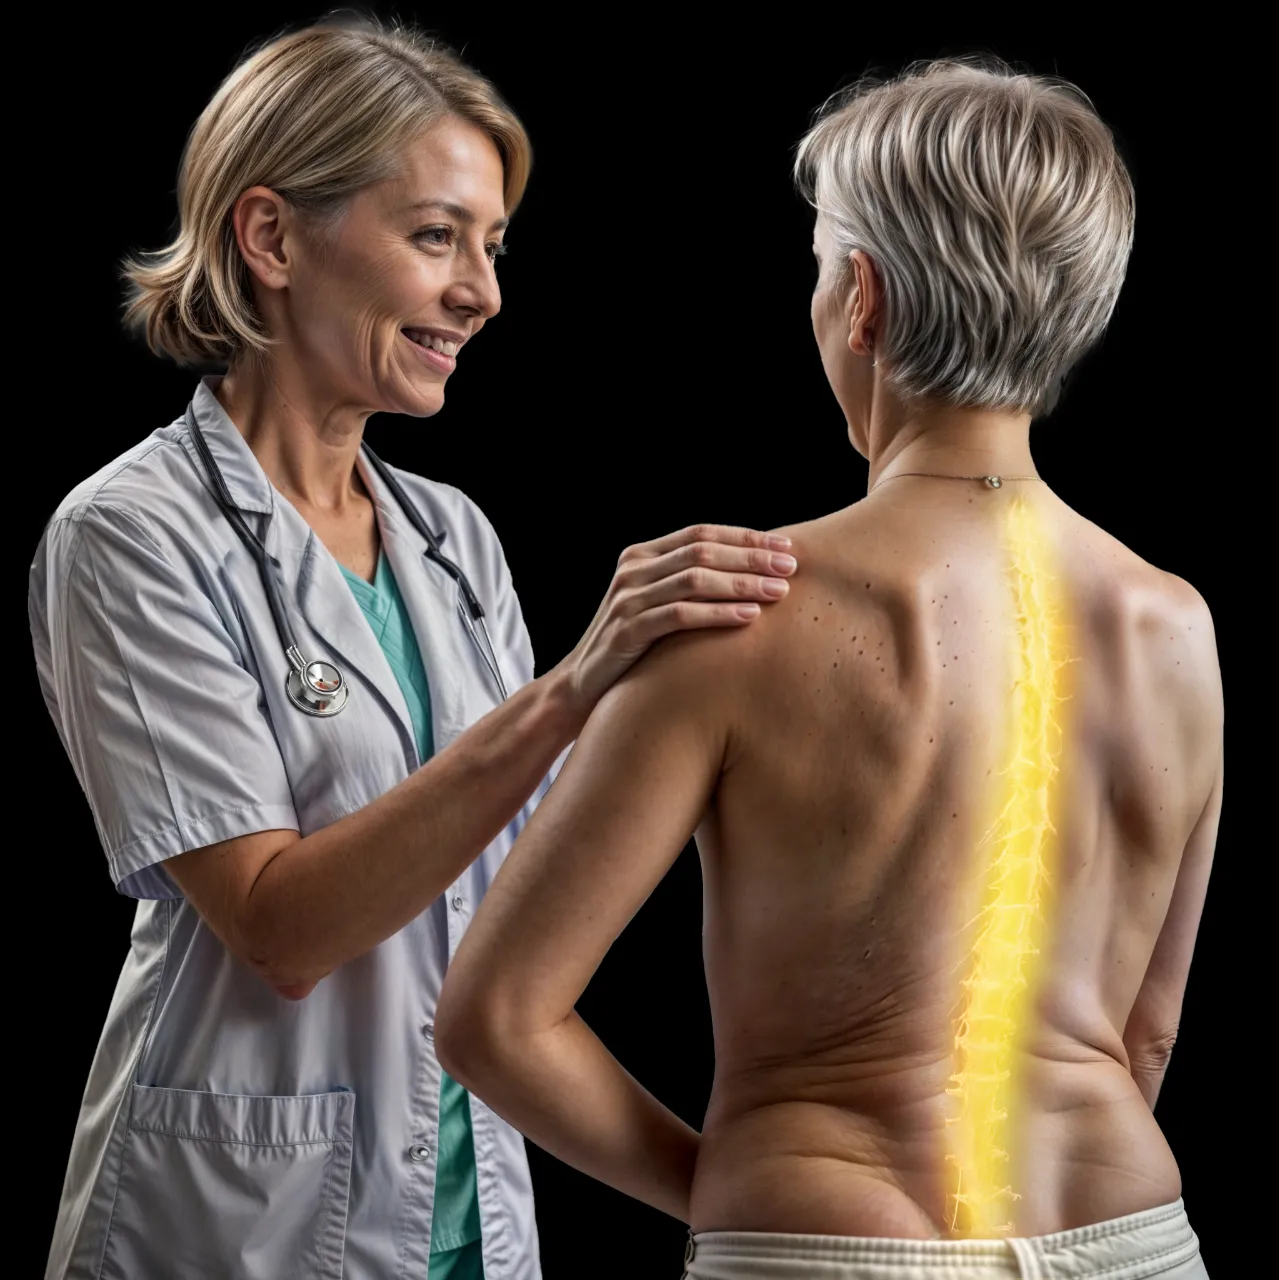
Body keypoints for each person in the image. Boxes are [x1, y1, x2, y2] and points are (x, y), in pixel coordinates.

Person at [28, 18, 799, 1280]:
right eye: (436, 236)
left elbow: (526, 883)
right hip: (239, 1225)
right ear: (270, 238)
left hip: (470, 1212)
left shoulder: (452, 537)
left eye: (491, 247)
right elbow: (280, 927)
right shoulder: (129, 535)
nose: (483, 293)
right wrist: (568, 693)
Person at [435, 59, 1221, 1280]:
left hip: (820, 1241)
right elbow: (1149, 1028)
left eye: (816, 270)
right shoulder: (1171, 626)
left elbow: (494, 1018)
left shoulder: (731, 610)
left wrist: (740, 1188)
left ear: (862, 299)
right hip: (1123, 1234)